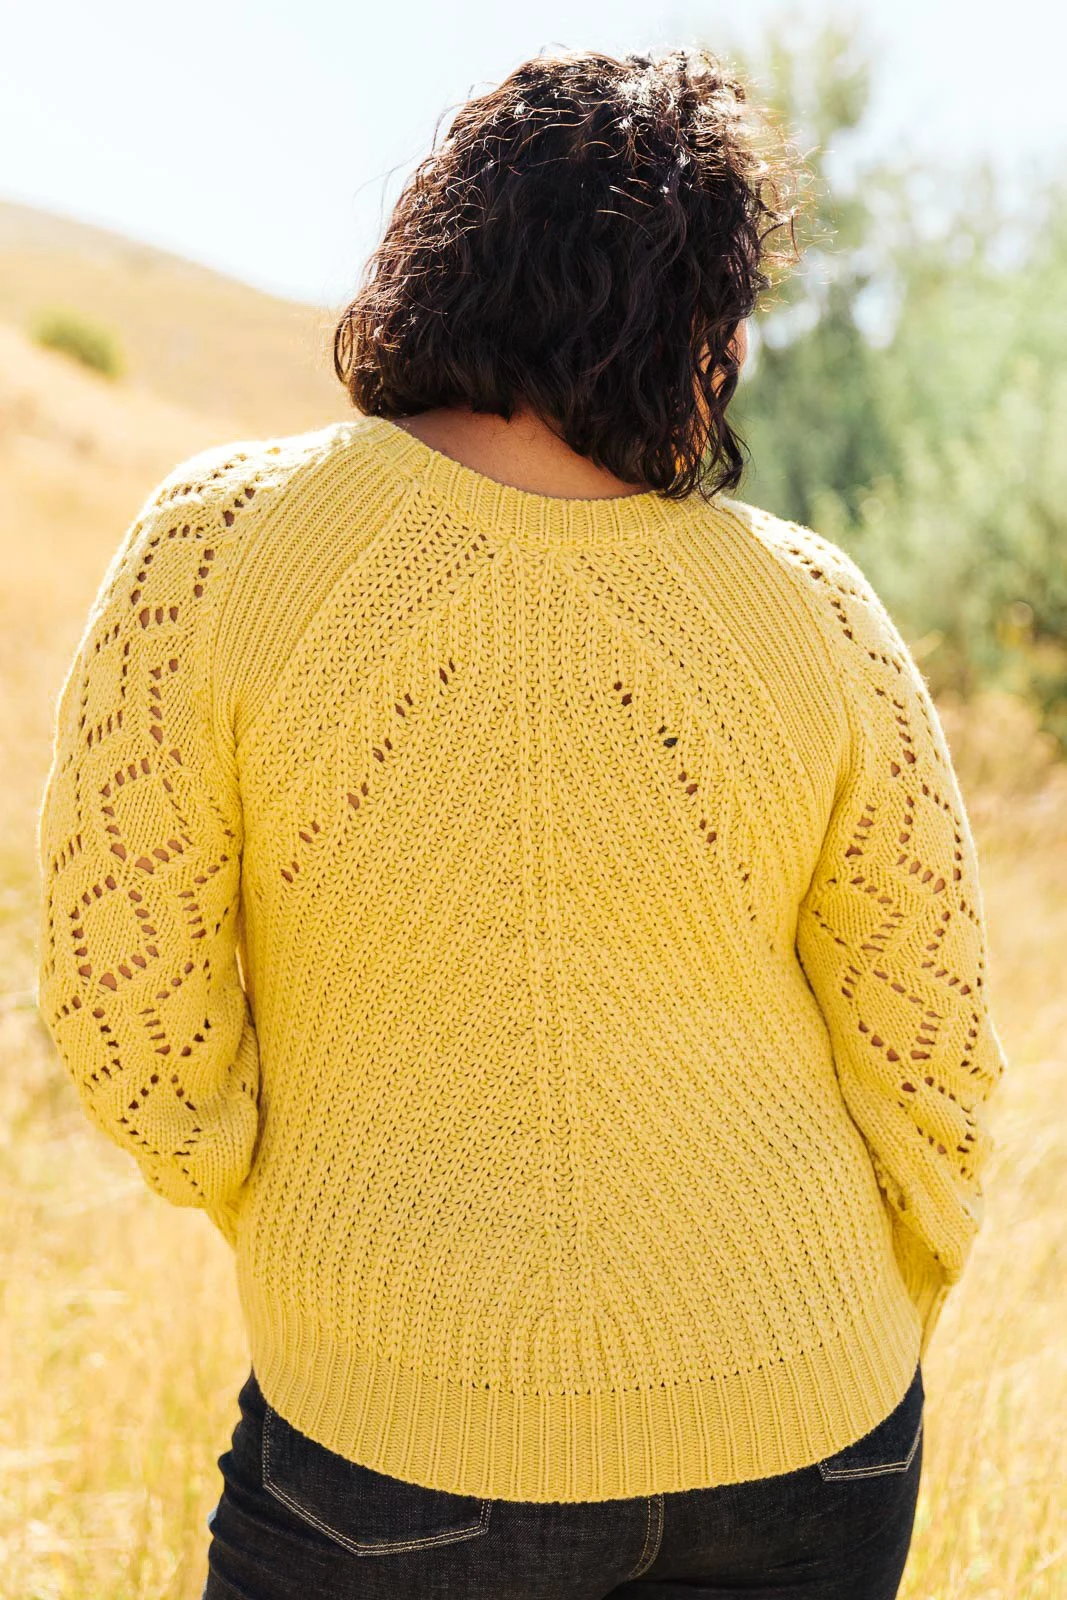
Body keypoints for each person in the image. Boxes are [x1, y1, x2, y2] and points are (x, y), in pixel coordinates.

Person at [36, 45, 1008, 1600]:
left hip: (392, 1428)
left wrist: (302, 1227)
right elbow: (932, 1055)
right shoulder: (814, 607)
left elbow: (127, 1012)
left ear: (443, 257)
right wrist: (866, 1315)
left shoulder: (218, 546)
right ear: (699, 330)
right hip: (812, 1427)